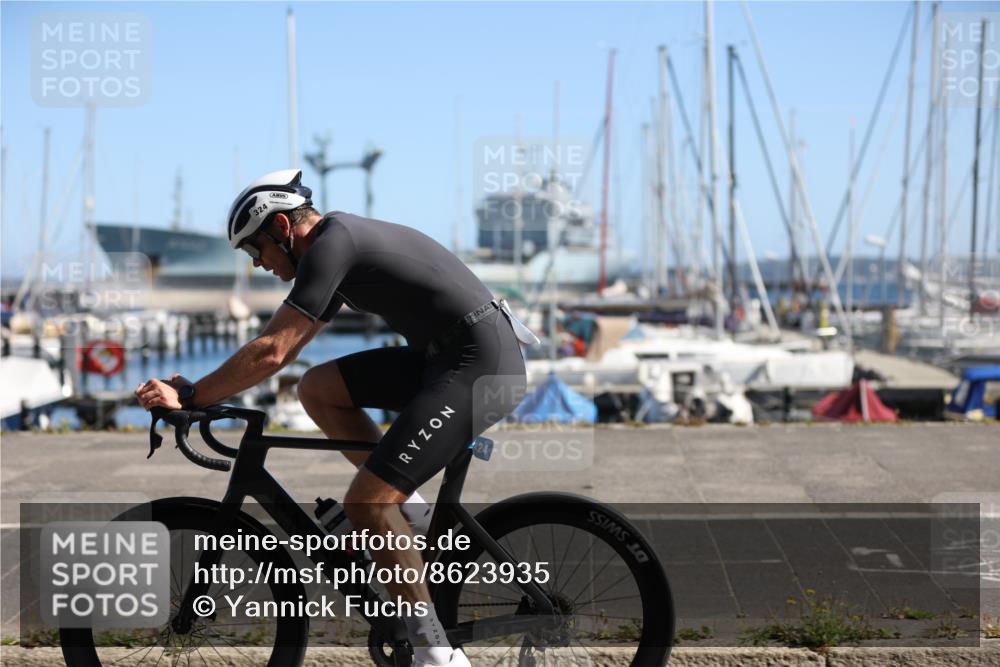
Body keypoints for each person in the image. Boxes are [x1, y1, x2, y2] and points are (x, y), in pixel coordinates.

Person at [136, 169, 533, 667]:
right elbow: (289, 347)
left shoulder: (332, 246)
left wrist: (192, 394)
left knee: (366, 504)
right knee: (319, 389)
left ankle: (439, 657)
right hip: (447, 356)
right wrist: (200, 391)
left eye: (255, 249)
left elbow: (272, 352)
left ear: (282, 227)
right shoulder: (334, 249)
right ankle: (408, 512)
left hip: (479, 366)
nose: (258, 264)